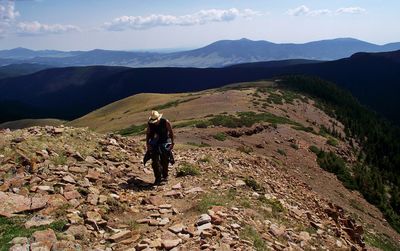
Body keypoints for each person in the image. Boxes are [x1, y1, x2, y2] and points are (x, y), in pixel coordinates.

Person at [145, 110, 175, 185]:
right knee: (154, 160)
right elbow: (148, 134)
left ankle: (165, 176)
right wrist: (148, 144)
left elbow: (170, 132)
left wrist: (172, 142)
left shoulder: (165, 122)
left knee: (165, 158)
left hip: (164, 140)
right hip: (154, 142)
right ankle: (157, 177)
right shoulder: (150, 124)